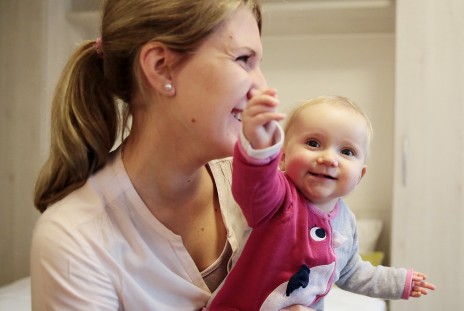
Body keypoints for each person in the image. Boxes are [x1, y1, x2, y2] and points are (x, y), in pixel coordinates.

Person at [30, 1, 313, 310]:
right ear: (160, 66)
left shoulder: (262, 188)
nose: (263, 88)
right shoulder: (74, 239)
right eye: (243, 59)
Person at [207, 94, 436, 310]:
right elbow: (253, 185)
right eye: (313, 143)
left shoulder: (346, 221)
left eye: (346, 151)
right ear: (283, 157)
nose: (328, 158)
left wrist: (399, 283)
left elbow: (350, 271)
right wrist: (258, 148)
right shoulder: (278, 197)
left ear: (359, 175)